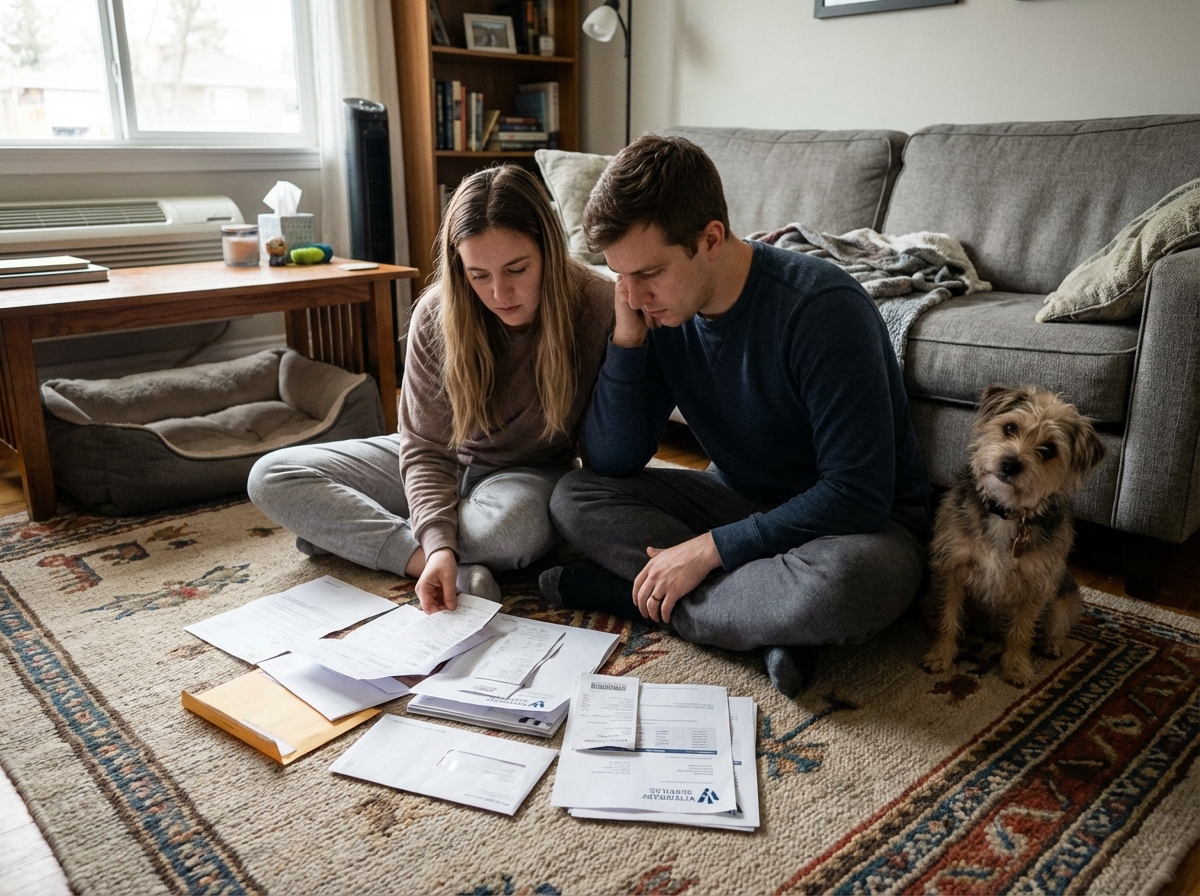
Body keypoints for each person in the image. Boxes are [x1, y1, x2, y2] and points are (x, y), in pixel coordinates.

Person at [540, 135, 932, 696]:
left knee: (846, 586)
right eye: (618, 275)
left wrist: (709, 550)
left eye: (647, 273)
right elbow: (612, 459)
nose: (631, 294)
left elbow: (859, 494)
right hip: (743, 497)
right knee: (573, 496)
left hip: (860, 528)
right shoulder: (655, 312)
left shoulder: (822, 309)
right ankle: (765, 627)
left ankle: (633, 597)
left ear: (711, 239)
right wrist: (627, 342)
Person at [248, 165, 614, 613]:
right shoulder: (437, 313)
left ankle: (358, 532)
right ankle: (426, 559)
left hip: (526, 478)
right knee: (271, 476)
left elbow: (608, 453)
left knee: (510, 533)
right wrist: (439, 549)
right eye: (478, 275)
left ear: (550, 251)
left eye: (517, 269)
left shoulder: (597, 305)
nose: (500, 292)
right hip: (439, 456)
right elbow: (422, 447)